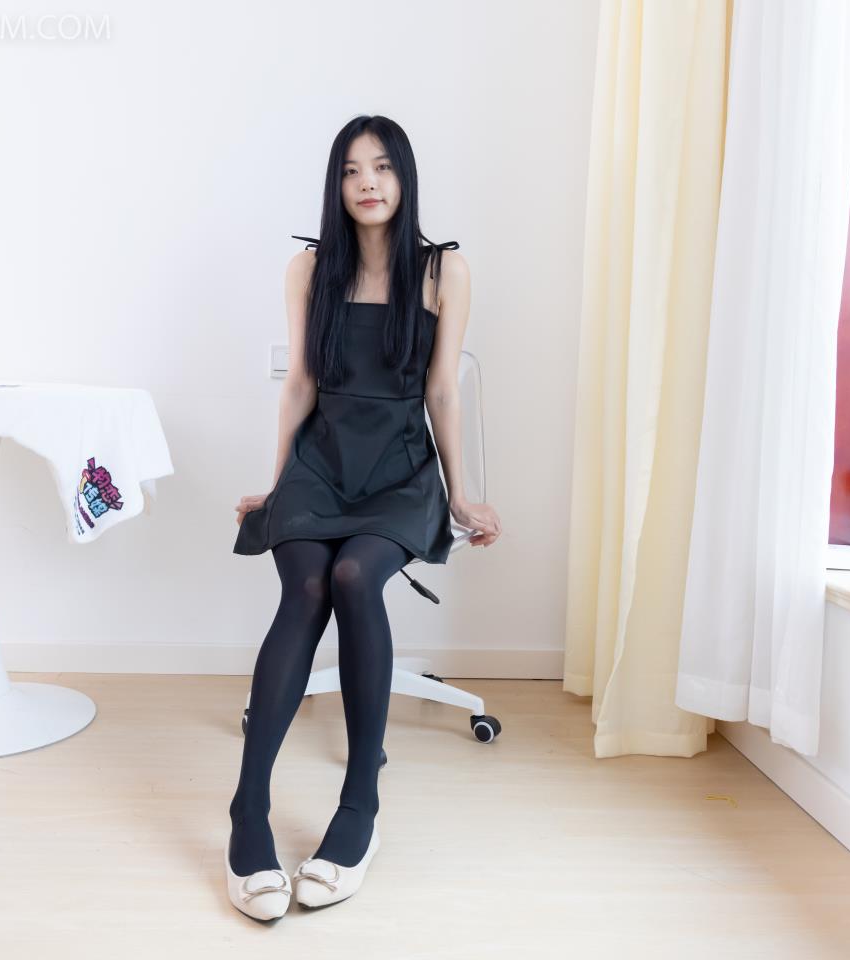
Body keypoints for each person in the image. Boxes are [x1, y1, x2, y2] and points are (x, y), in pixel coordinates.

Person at [225, 115, 503, 921]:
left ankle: (360, 806)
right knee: (307, 583)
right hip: (321, 463)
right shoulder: (310, 269)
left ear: (404, 177)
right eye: (351, 170)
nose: (368, 183)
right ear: (336, 184)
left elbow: (442, 390)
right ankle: (247, 809)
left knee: (353, 574)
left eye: (381, 167)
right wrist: (278, 486)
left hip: (400, 470)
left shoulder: (445, 272)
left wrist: (460, 494)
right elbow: (301, 385)